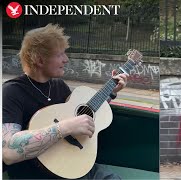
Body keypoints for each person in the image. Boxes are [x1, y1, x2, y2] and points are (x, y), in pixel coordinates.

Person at [2, 23, 129, 179]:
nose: (66, 59)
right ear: (39, 60)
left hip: (76, 163)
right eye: (60, 54)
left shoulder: (58, 86)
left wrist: (111, 93)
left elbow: (84, 115)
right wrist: (64, 127)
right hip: (38, 174)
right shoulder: (12, 91)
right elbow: (8, 151)